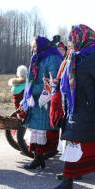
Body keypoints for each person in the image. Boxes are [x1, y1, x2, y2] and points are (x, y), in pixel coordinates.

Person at [47, 24, 95, 189]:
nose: (70, 43)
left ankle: (68, 183)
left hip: (90, 109)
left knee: (76, 143)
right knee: (94, 146)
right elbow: (73, 81)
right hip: (77, 108)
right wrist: (57, 85)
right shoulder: (77, 55)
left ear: (81, 37)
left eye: (73, 39)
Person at [20, 36, 63, 169]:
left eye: (34, 46)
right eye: (32, 47)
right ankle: (38, 158)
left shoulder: (53, 58)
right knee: (37, 130)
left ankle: (40, 158)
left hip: (46, 101)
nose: (32, 49)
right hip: (35, 100)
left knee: (42, 130)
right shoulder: (37, 57)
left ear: (41, 46)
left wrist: (33, 89)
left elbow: (53, 80)